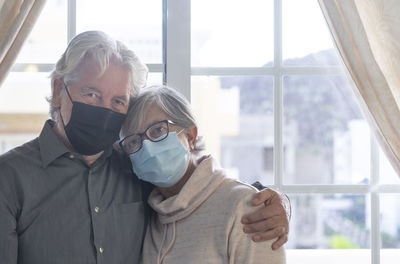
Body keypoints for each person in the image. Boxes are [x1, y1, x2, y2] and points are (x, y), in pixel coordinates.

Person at [0, 31, 289, 264]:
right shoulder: (9, 177)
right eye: (91, 94)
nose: (104, 110)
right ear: (57, 90)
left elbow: (195, 191)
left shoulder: (133, 167)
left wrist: (276, 203)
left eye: (118, 101)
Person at [119, 85, 286, 263]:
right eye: (134, 142)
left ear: (191, 136)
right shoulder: (150, 215)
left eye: (158, 130)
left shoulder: (245, 207)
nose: (148, 148)